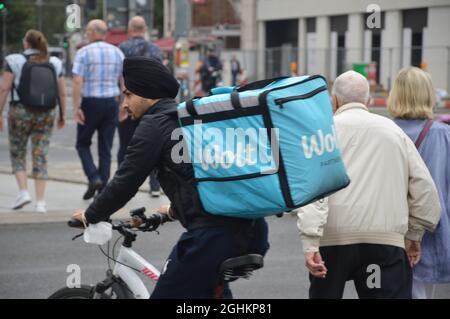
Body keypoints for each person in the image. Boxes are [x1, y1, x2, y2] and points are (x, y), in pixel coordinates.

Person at [71, 57, 269, 298]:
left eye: (128, 95)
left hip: (211, 238)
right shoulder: (188, 120)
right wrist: (171, 212)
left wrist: (91, 215)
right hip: (252, 231)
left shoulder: (155, 125)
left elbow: (125, 182)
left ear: (147, 94)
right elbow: (199, 176)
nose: (124, 104)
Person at [296, 70, 441, 299]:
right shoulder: (393, 132)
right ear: (369, 101)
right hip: (384, 242)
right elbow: (424, 188)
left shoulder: (323, 134)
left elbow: (314, 191)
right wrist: (414, 234)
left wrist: (310, 242)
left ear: (334, 100)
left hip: (333, 241)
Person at [388, 67, 450, 299]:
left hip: (392, 229)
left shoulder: (385, 131)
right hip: (434, 229)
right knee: (423, 291)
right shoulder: (442, 134)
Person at [0, 30, 66, 213]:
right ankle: (41, 203)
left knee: (18, 153)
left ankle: (23, 192)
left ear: (27, 44)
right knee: (40, 154)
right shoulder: (54, 62)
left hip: (20, 112)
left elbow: (4, 89)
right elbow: (61, 93)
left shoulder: (13, 60)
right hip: (46, 113)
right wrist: (62, 115)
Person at [72, 19, 124, 200]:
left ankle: (93, 177)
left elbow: (78, 81)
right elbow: (123, 80)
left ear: (94, 32)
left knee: (82, 143)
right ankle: (103, 189)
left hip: (90, 102)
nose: (86, 34)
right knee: (106, 147)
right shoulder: (117, 52)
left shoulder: (83, 52)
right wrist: (123, 103)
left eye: (87, 30)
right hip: (111, 102)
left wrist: (76, 106)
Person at [118, 16, 163, 197]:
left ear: (130, 29)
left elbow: (119, 77)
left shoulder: (122, 48)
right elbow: (161, 75)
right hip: (151, 103)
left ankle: (123, 185)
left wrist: (121, 103)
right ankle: (155, 186)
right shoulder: (155, 49)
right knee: (153, 144)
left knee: (126, 145)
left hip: (130, 103)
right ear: (144, 29)